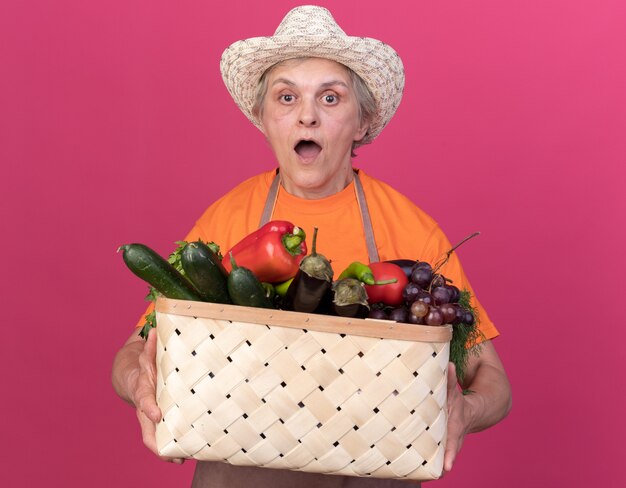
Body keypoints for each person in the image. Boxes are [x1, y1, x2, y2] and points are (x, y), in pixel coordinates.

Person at [112, 6, 512, 487]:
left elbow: (492, 379)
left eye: (330, 97)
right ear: (263, 119)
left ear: (361, 122)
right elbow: (135, 351)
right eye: (286, 97)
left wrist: (463, 412)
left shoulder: (413, 231)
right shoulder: (225, 220)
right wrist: (140, 385)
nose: (307, 115)